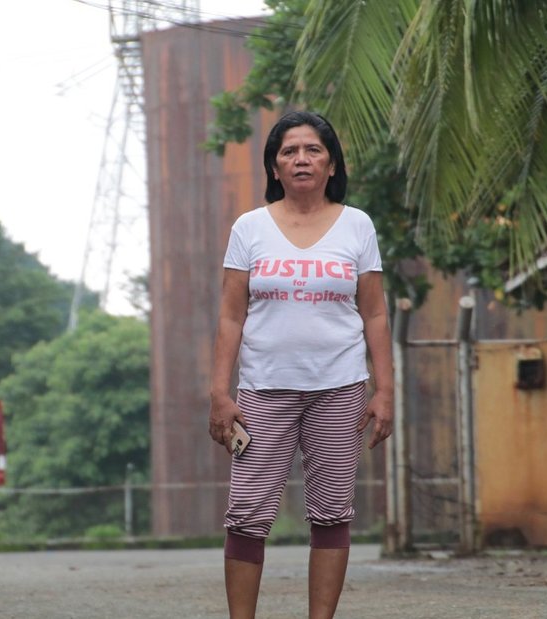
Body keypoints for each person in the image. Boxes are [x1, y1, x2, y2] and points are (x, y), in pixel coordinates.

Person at [209, 110, 395, 619]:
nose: (301, 159)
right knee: (246, 513)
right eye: (288, 152)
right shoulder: (250, 228)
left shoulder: (358, 225)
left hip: (340, 388)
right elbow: (230, 316)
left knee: (332, 511)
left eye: (312, 150)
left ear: (331, 163)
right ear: (274, 167)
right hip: (264, 390)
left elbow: (375, 313)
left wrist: (385, 390)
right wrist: (220, 393)